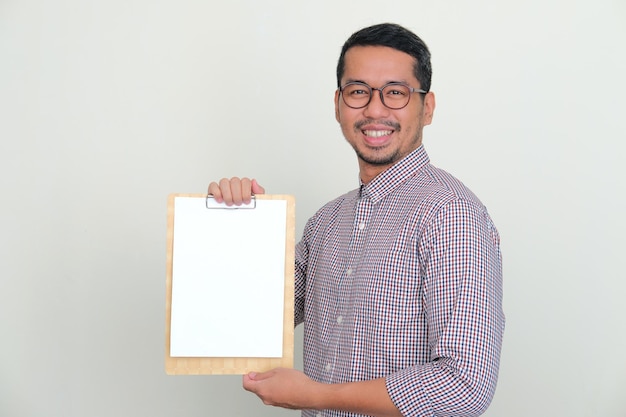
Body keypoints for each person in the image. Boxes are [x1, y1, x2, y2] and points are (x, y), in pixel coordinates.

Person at [208, 23, 505, 417]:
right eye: (358, 91)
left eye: (396, 93)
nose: (375, 109)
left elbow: (464, 386)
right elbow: (255, 318)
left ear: (427, 107)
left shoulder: (451, 216)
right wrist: (239, 225)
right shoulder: (326, 222)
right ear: (338, 104)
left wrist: (316, 396)